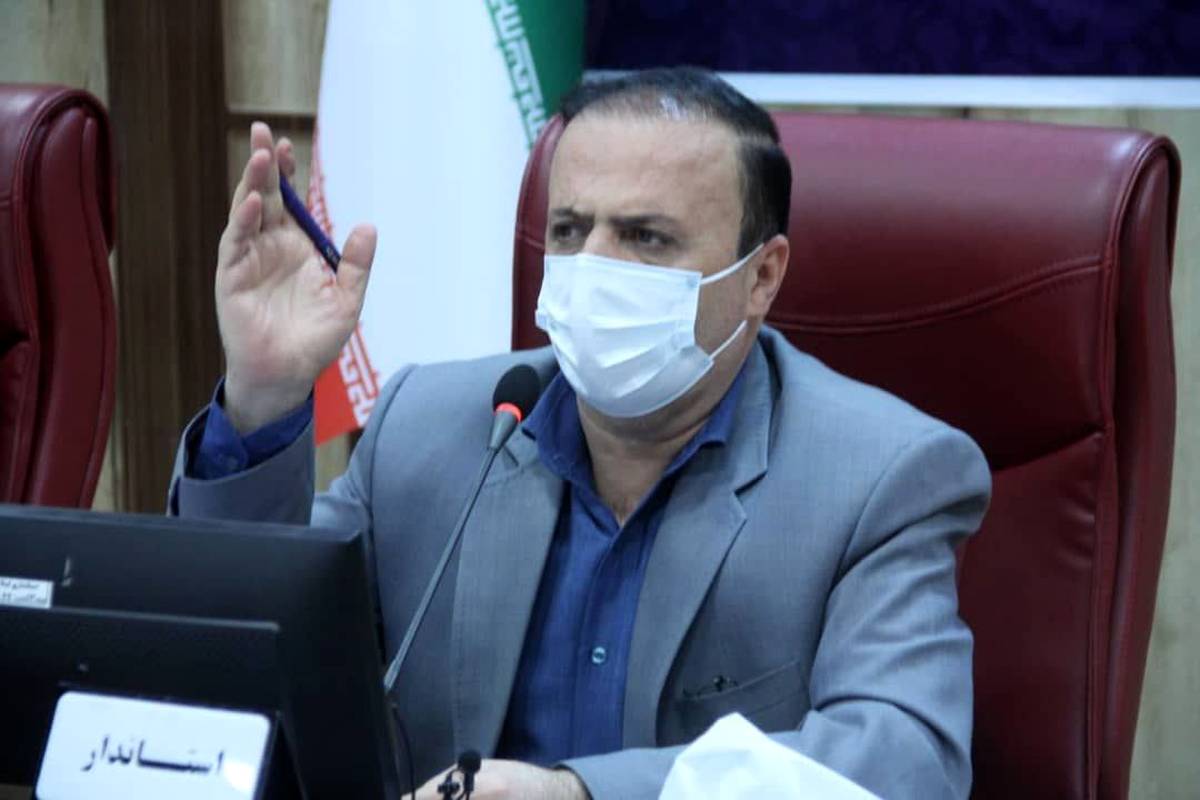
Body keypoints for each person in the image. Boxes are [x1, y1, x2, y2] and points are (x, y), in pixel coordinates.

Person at [170, 67, 990, 799]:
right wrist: (265, 395)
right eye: (569, 230)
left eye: (645, 237)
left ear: (761, 277)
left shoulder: (879, 478)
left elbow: (905, 765)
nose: (593, 266)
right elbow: (240, 656)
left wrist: (576, 794)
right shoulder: (429, 427)